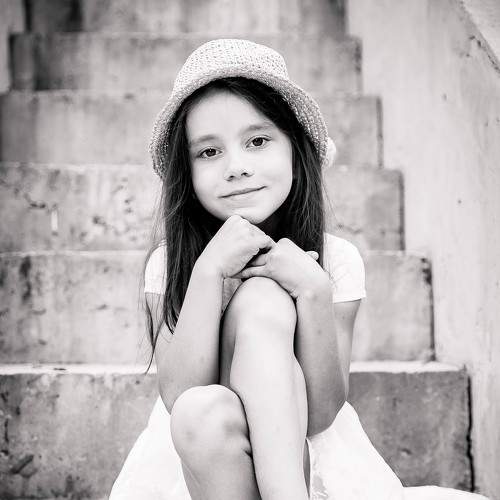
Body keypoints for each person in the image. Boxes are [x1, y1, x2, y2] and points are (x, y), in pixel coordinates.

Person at [109, 39, 488, 500]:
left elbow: (323, 411)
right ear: (186, 173)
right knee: (199, 412)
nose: (236, 167)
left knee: (262, 299)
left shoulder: (335, 259)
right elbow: (180, 397)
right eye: (208, 152)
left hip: (304, 453)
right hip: (201, 457)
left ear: (295, 150)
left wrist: (313, 291)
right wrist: (209, 272)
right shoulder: (172, 263)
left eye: (257, 141)